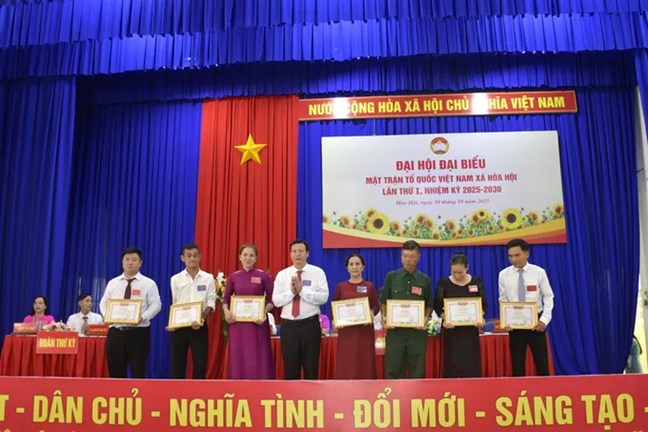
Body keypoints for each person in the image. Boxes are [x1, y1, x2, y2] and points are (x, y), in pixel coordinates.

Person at [100, 247, 161, 378]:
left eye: (134, 260)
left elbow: (156, 305)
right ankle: (117, 392)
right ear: (122, 262)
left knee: (138, 371)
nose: (130, 263)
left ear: (140, 263)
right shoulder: (113, 283)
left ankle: (137, 392)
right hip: (116, 332)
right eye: (127, 259)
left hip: (139, 333)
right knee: (115, 372)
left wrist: (143, 317)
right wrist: (106, 316)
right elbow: (103, 303)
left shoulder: (149, 283)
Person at [273, 239, 329, 379]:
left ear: (307, 253)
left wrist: (302, 291)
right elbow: (276, 301)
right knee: (290, 368)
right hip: (289, 327)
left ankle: (312, 393)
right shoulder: (282, 275)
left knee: (311, 367)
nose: (297, 254)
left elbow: (323, 297)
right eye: (294, 251)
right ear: (290, 254)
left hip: (310, 326)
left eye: (301, 251)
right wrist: (292, 292)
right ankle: (293, 393)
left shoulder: (318, 272)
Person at [498, 238, 554, 376]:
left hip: (536, 322)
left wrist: (544, 320)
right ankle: (519, 389)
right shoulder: (503, 274)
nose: (513, 259)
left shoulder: (539, 272)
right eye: (510, 256)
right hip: (515, 324)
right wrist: (506, 321)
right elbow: (503, 299)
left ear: (526, 254)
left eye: (517, 255)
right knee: (517, 364)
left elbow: (548, 296)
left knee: (542, 363)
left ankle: (545, 388)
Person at [379, 240, 433, 379]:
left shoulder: (425, 279)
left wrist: (426, 318)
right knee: (393, 370)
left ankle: (416, 393)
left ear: (418, 257)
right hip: (395, 333)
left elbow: (429, 304)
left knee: (417, 371)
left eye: (411, 256)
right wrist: (384, 316)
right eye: (404, 256)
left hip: (417, 334)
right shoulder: (391, 277)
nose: (407, 260)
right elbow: (384, 300)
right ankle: (394, 393)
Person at [223, 243, 275, 379]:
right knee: (238, 355)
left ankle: (261, 385)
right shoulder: (233, 277)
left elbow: (272, 300)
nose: (248, 258)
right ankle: (238, 384)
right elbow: (225, 299)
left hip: (258, 323)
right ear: (240, 257)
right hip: (237, 325)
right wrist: (226, 312)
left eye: (251, 255)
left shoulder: (264, 276)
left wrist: (263, 312)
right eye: (245, 255)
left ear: (256, 258)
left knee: (258, 355)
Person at [167, 243, 216, 379]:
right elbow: (175, 303)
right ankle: (177, 390)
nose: (192, 259)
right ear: (183, 258)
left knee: (200, 363)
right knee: (177, 364)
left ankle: (198, 391)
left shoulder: (208, 278)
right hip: (179, 327)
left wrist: (201, 318)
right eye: (188, 256)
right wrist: (173, 322)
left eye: (195, 255)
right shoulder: (175, 279)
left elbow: (211, 303)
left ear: (200, 257)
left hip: (199, 326)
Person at [434, 253, 487, 378]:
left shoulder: (476, 282)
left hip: (470, 331)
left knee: (471, 363)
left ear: (467, 267)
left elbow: (483, 304)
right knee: (452, 364)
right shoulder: (444, 283)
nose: (457, 276)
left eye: (460, 273)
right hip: (451, 332)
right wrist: (445, 318)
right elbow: (437, 305)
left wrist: (480, 317)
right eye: (454, 272)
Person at [332, 253, 379, 379]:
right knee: (347, 361)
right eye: (351, 264)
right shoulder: (341, 287)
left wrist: (371, 312)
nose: (354, 267)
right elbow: (334, 307)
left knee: (365, 360)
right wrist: (335, 319)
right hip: (347, 332)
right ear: (347, 268)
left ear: (363, 267)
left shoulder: (369, 286)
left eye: (357, 264)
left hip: (364, 332)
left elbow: (376, 306)